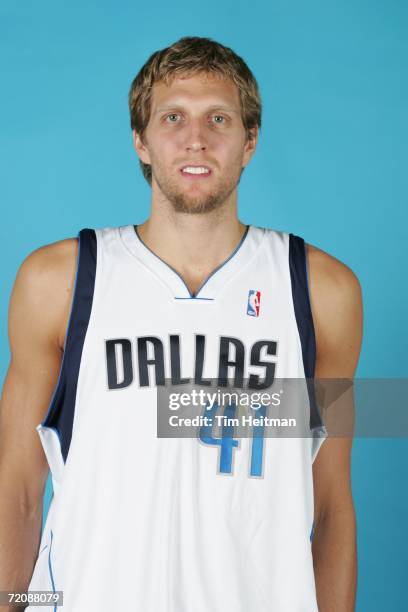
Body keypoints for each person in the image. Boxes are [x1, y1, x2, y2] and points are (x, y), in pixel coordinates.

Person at [0, 36, 363, 611]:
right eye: (173, 117)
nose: (196, 138)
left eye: (218, 117)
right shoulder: (59, 283)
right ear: (141, 141)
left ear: (250, 142)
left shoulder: (321, 292)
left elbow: (331, 506)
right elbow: (18, 490)